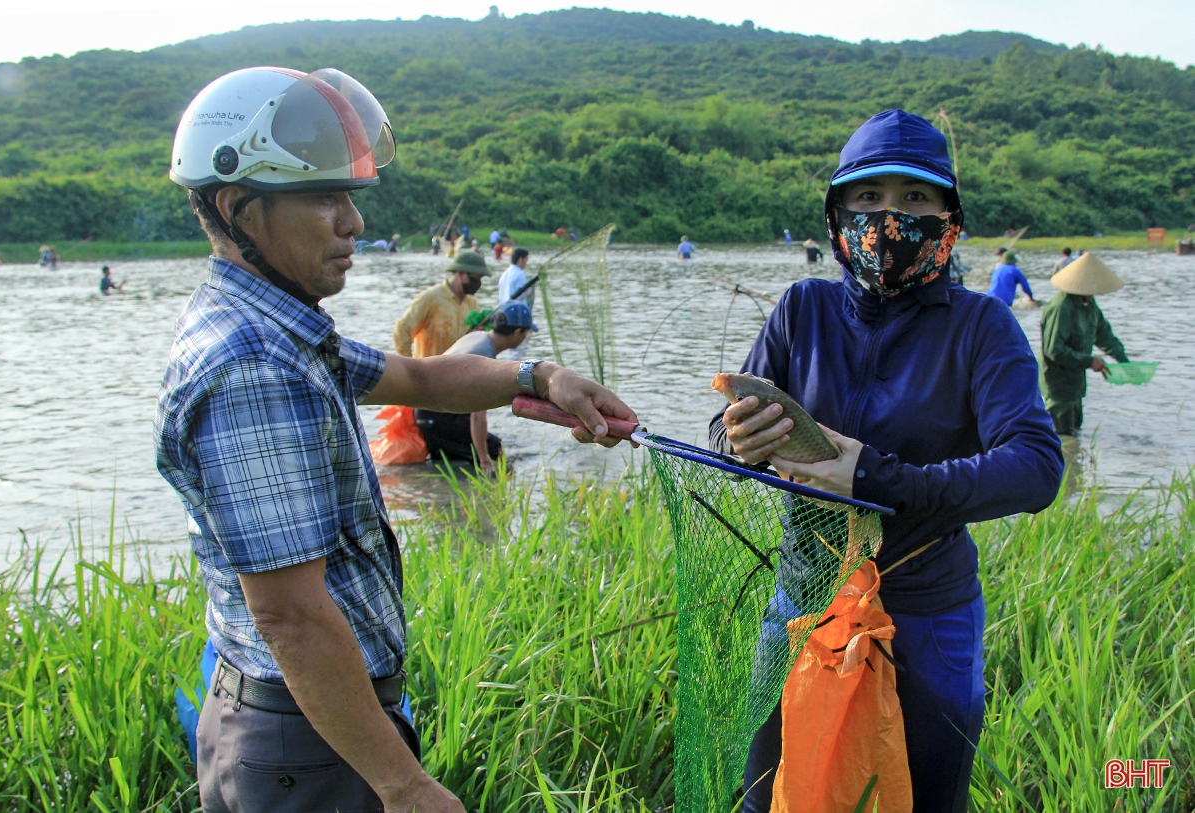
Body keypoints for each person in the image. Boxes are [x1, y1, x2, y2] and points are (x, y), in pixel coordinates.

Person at [157, 66, 637, 813]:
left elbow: (416, 377)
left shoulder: (279, 328)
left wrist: (542, 378)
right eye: (325, 197)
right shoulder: (253, 364)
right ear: (237, 208)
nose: (353, 222)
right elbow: (290, 615)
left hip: (305, 724)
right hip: (306, 744)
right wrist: (404, 785)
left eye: (351, 196)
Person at [710, 109, 1063, 813]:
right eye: (869, 196)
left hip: (925, 610)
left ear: (948, 219)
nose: (889, 217)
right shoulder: (801, 310)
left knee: (925, 796)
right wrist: (739, 437)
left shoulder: (981, 327)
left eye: (915, 198)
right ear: (838, 215)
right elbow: (725, 428)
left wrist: (873, 476)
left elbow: (1035, 466)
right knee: (767, 792)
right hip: (803, 598)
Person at [415, 300, 538, 471]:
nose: (524, 338)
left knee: (447, 464)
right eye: (526, 332)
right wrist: (484, 460)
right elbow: (477, 417)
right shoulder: (484, 356)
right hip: (436, 416)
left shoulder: (477, 336)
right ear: (518, 332)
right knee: (495, 451)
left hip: (426, 410)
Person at [1039, 253, 1129, 437]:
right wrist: (1089, 361)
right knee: (1061, 436)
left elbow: (1104, 335)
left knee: (1075, 431)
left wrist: (1123, 360)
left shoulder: (1088, 304)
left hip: (1076, 382)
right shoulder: (1061, 308)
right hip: (1058, 384)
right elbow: (1054, 350)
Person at [394, 251, 491, 359]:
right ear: (461, 273)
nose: (478, 283)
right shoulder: (430, 298)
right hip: (429, 368)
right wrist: (410, 365)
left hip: (459, 367)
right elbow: (402, 330)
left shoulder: (472, 303)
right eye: (475, 278)